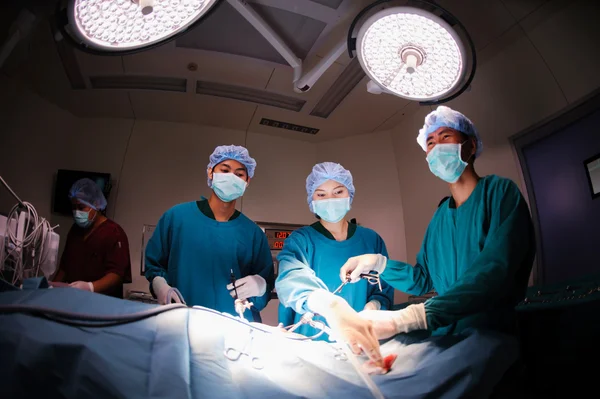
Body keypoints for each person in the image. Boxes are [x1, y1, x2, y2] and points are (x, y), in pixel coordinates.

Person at [338, 105, 535, 341]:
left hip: (491, 335)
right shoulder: (441, 216)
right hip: (446, 335)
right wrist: (378, 263)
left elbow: (494, 274)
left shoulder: (500, 193)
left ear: (470, 146)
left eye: (445, 137)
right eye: (430, 142)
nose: (437, 146)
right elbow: (422, 280)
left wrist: (417, 316)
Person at [275, 162, 394, 365]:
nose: (330, 199)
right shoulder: (301, 240)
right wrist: (328, 305)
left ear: (350, 194)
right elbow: (290, 278)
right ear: (312, 199)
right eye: (321, 194)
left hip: (356, 345)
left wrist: (373, 307)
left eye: (338, 191)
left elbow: (383, 289)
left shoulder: (371, 240)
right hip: (308, 345)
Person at [145, 145, 274, 322]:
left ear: (247, 181)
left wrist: (261, 286)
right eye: (225, 170)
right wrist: (159, 283)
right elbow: (155, 265)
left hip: (235, 327)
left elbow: (264, 287)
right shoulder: (177, 217)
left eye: (239, 174)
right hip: (182, 321)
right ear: (210, 172)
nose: (231, 177)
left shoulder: (252, 233)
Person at [53, 178, 132, 298]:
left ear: (95, 204)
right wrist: (51, 289)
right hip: (74, 300)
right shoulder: (75, 230)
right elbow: (64, 267)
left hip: (103, 304)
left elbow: (116, 274)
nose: (76, 212)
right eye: (74, 207)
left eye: (81, 207)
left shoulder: (114, 233)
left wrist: (91, 287)